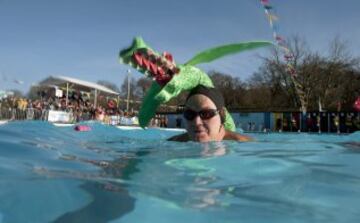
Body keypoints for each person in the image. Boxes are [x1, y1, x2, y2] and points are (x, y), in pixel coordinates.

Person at [168, 85, 251, 142]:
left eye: (206, 114)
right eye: (190, 114)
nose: (197, 122)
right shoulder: (174, 142)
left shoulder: (244, 144)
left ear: (222, 115)